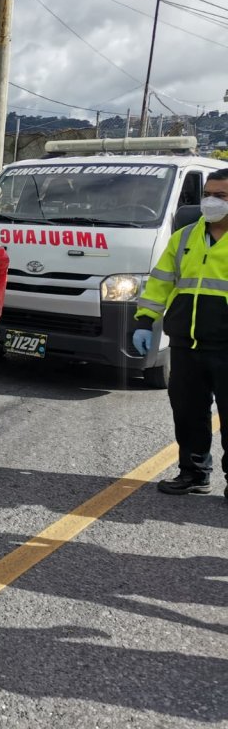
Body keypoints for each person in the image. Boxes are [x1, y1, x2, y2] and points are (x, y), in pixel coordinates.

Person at [133, 168, 228, 500]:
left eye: (222, 196)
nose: (212, 202)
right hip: (186, 344)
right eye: (208, 195)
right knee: (188, 414)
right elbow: (160, 282)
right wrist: (145, 320)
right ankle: (193, 474)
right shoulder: (184, 236)